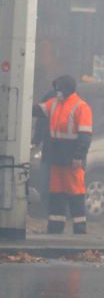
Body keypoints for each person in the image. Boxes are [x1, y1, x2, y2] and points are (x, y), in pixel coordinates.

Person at [34, 75, 92, 234]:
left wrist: (79, 157)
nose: (56, 91)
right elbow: (39, 110)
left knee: (76, 195)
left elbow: (85, 135)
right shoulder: (55, 103)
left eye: (59, 88)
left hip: (72, 160)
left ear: (66, 89)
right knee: (56, 195)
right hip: (57, 160)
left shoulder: (81, 107)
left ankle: (79, 230)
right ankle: (55, 228)